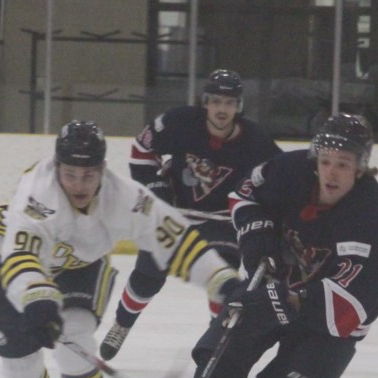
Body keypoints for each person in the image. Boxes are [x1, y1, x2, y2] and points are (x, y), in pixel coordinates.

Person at [141, 114, 378, 378]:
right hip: (273, 285)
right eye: (327, 160)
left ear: (360, 168)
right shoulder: (290, 170)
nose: (332, 172)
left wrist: (288, 298)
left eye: (344, 164)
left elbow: (354, 306)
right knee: (217, 369)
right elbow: (244, 194)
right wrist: (258, 244)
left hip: (328, 324)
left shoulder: (367, 216)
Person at [0, 120, 241, 378]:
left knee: (76, 344)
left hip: (82, 272)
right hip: (21, 273)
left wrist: (222, 280)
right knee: (19, 368)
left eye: (88, 175)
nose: (79, 185)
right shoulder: (36, 194)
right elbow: (21, 257)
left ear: (103, 170)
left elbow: (175, 238)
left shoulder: (125, 197)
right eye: (70, 174)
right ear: (57, 168)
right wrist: (38, 299)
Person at [99, 69, 282, 361]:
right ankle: (122, 324)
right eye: (217, 101)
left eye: (230, 103)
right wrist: (156, 188)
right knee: (149, 273)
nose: (223, 109)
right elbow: (141, 148)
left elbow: (278, 179)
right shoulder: (180, 122)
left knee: (221, 276)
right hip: (176, 219)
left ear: (239, 106)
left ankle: (216, 338)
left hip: (224, 225)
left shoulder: (256, 141)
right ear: (206, 101)